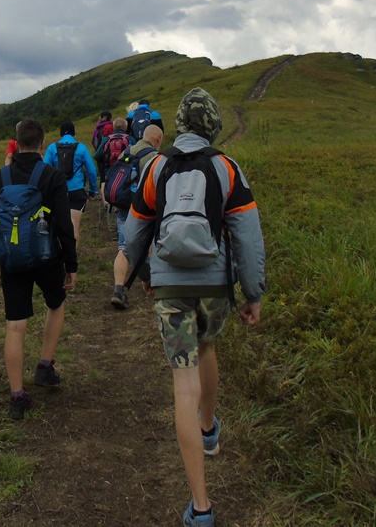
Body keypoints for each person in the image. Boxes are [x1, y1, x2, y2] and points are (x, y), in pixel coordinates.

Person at [125, 89, 265, 526]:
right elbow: (248, 237)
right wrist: (253, 294)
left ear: (180, 125)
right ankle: (208, 430)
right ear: (213, 127)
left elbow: (134, 234)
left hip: (170, 287)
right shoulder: (227, 168)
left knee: (182, 384)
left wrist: (145, 275)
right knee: (207, 348)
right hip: (214, 286)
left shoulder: (157, 167)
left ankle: (200, 508)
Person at [0, 119, 78, 420]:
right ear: (42, 144)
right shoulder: (52, 175)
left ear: (16, 143)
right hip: (47, 258)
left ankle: (17, 397)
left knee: (15, 324)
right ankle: (44, 367)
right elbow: (64, 225)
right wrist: (71, 264)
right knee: (56, 304)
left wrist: (3, 257)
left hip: (12, 261)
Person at [109, 123, 163, 310]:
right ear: (158, 139)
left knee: (124, 247)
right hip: (143, 211)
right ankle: (151, 282)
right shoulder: (154, 158)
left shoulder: (126, 152)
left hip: (122, 207)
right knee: (151, 244)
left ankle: (118, 289)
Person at [43, 121, 98, 249]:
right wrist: (92, 190)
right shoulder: (82, 148)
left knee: (59, 224)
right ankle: (72, 256)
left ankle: (59, 253)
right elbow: (91, 171)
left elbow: (45, 170)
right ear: (73, 132)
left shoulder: (52, 148)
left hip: (58, 192)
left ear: (61, 133)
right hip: (77, 191)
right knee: (74, 224)